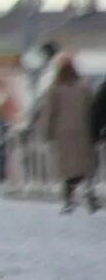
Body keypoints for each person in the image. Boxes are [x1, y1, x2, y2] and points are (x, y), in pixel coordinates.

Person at [40, 57, 98, 213]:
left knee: (67, 167)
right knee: (85, 165)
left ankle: (69, 198)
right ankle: (89, 193)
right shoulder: (84, 89)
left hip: (63, 132)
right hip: (83, 131)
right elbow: (93, 109)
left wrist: (46, 134)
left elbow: (49, 113)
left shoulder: (55, 89)